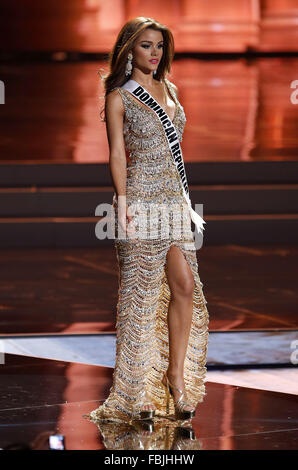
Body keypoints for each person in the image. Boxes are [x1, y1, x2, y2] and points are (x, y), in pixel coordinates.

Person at [86, 16, 209, 425]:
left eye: (159, 46)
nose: (154, 54)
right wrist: (122, 203)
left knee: (185, 286)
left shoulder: (169, 89)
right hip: (140, 203)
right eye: (145, 46)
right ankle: (138, 394)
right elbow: (117, 153)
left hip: (174, 202)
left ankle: (175, 376)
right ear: (128, 50)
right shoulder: (120, 96)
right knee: (139, 300)